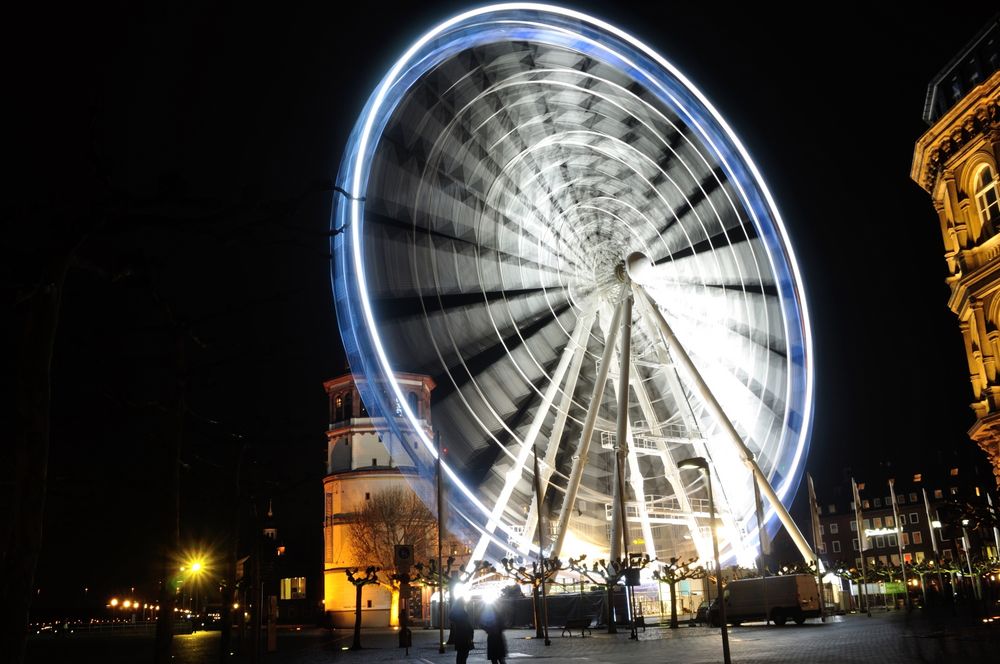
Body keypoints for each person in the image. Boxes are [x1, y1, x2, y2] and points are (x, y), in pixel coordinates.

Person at [449, 599, 475, 664]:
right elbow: (467, 626)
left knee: (461, 655)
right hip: (464, 637)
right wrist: (471, 636)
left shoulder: (457, 613)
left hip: (460, 637)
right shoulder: (462, 613)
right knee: (463, 655)